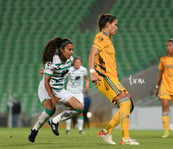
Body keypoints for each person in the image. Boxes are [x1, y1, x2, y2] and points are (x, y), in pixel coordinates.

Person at [89, 14, 139, 145]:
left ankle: (105, 132)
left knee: (129, 105)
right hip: (105, 78)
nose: (116, 27)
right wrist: (92, 72)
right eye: (115, 24)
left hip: (111, 78)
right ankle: (125, 138)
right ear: (107, 25)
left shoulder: (107, 39)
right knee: (125, 103)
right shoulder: (101, 37)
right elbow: (92, 53)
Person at [28, 37, 84, 143]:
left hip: (60, 89)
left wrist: (48, 72)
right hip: (46, 88)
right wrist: (52, 97)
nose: (71, 52)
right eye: (69, 49)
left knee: (79, 108)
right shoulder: (52, 61)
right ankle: (34, 130)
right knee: (50, 110)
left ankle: (55, 121)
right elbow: (46, 82)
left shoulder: (70, 60)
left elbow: (64, 70)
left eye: (72, 50)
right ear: (61, 49)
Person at [65, 57, 89, 134]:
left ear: (81, 63)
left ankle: (80, 129)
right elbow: (64, 76)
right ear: (74, 63)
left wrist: (87, 85)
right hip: (70, 91)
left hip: (79, 93)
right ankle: (68, 128)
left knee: (80, 110)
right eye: (76, 62)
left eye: (79, 62)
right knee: (69, 109)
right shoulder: (70, 69)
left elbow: (86, 79)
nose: (77, 64)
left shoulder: (84, 70)